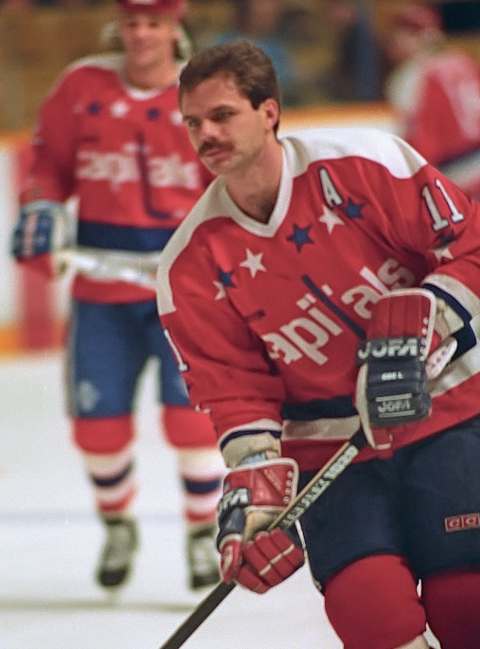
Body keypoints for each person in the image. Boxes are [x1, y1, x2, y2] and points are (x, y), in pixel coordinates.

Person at [156, 40, 480, 648]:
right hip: (334, 456)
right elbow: (236, 396)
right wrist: (254, 494)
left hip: (449, 415)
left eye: (222, 115)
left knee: (466, 602)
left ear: (269, 111)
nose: (205, 135)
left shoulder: (362, 164)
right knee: (370, 614)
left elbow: (471, 246)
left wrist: (430, 315)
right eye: (193, 123)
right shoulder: (189, 266)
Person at [10, 0, 225, 592]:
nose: (141, 34)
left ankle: (200, 532)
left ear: (175, 27)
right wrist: (42, 206)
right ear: (119, 26)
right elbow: (49, 164)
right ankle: (118, 523)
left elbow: (231, 178)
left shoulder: (203, 91)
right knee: (97, 427)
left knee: (192, 421)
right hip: (100, 288)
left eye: (154, 22)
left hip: (182, 290)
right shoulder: (82, 84)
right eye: (132, 22)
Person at [385, 2, 480, 199]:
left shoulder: (411, 76)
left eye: (400, 35)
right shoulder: (461, 60)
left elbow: (414, 138)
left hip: (453, 174)